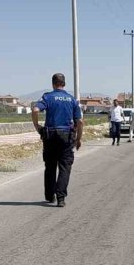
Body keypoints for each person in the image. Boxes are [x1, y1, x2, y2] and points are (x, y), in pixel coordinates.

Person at [31, 73, 82, 208]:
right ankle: (61, 198)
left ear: (53, 83)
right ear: (64, 84)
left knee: (50, 166)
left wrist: (37, 127)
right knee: (65, 167)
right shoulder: (72, 99)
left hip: (50, 135)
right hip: (66, 135)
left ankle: (49, 195)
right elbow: (80, 121)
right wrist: (78, 139)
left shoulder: (48, 97)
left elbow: (35, 110)